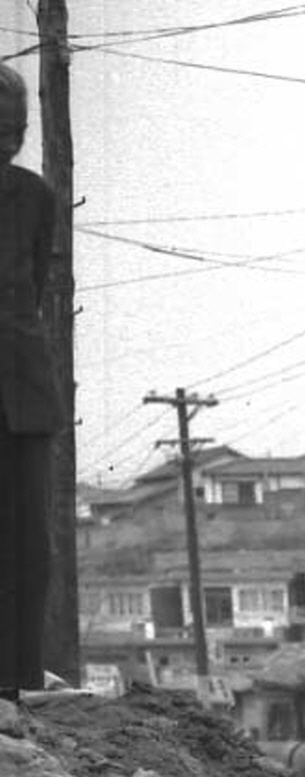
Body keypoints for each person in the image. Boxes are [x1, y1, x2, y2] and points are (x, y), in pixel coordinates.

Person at [0, 63, 58, 699]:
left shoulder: (36, 196)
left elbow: (33, 289)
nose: (7, 138)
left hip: (22, 393)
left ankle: (11, 683)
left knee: (26, 545)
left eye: (16, 127)